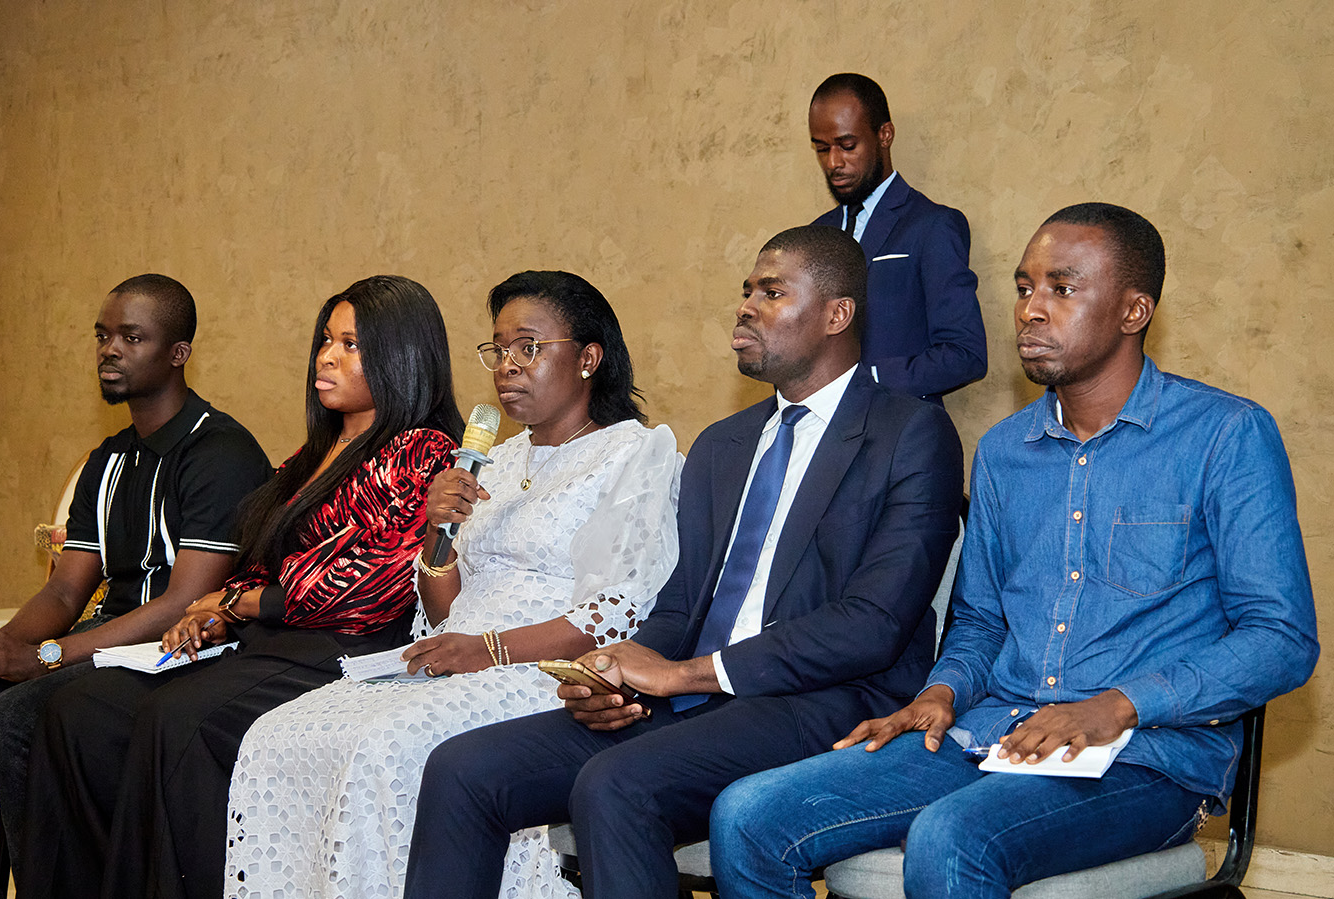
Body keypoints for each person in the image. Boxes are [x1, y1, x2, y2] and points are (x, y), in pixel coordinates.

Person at [709, 203, 1321, 899]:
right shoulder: (1004, 451)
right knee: (749, 815)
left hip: (1146, 758)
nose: (1031, 309)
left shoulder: (1225, 436)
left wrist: (1117, 705)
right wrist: (940, 693)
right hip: (992, 736)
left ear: (1134, 310)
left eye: (1062, 289)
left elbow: (1281, 638)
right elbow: (981, 621)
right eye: (1025, 288)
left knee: (952, 837)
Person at [404, 226, 965, 899]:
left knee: (616, 784)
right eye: (746, 291)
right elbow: (681, 604)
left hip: (826, 701)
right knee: (463, 769)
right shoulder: (724, 444)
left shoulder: (908, 433)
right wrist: (618, 674)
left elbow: (873, 624)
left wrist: (683, 675)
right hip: (695, 700)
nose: (746, 307)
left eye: (772, 293)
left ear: (837, 314)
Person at [222, 270, 682, 898]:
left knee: (381, 748)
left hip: (544, 668)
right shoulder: (495, 459)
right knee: (280, 736)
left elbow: (616, 612)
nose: (507, 366)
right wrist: (438, 532)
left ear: (588, 359)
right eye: (499, 349)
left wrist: (488, 650)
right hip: (457, 653)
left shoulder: (635, 454)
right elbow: (446, 611)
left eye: (529, 348)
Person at [16, 275, 464, 899]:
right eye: (326, 340)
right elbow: (262, 552)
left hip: (342, 651)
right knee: (79, 711)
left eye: (352, 345)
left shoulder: (423, 450)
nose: (327, 357)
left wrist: (240, 601)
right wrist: (223, 610)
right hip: (268, 640)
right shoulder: (314, 453)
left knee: (178, 722)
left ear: (402, 357)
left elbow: (374, 583)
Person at [0, 274, 271, 899]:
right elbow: (63, 594)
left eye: (131, 338)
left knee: (14, 721)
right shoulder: (108, 459)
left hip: (182, 654)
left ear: (178, 353)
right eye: (103, 335)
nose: (110, 350)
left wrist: (46, 657)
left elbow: (181, 604)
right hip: (102, 644)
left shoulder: (220, 452)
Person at [807, 73, 986, 401]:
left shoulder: (933, 225)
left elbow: (965, 354)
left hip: (899, 426)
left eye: (848, 146)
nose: (833, 162)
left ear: (884, 135)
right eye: (821, 148)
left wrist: (868, 380)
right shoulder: (813, 236)